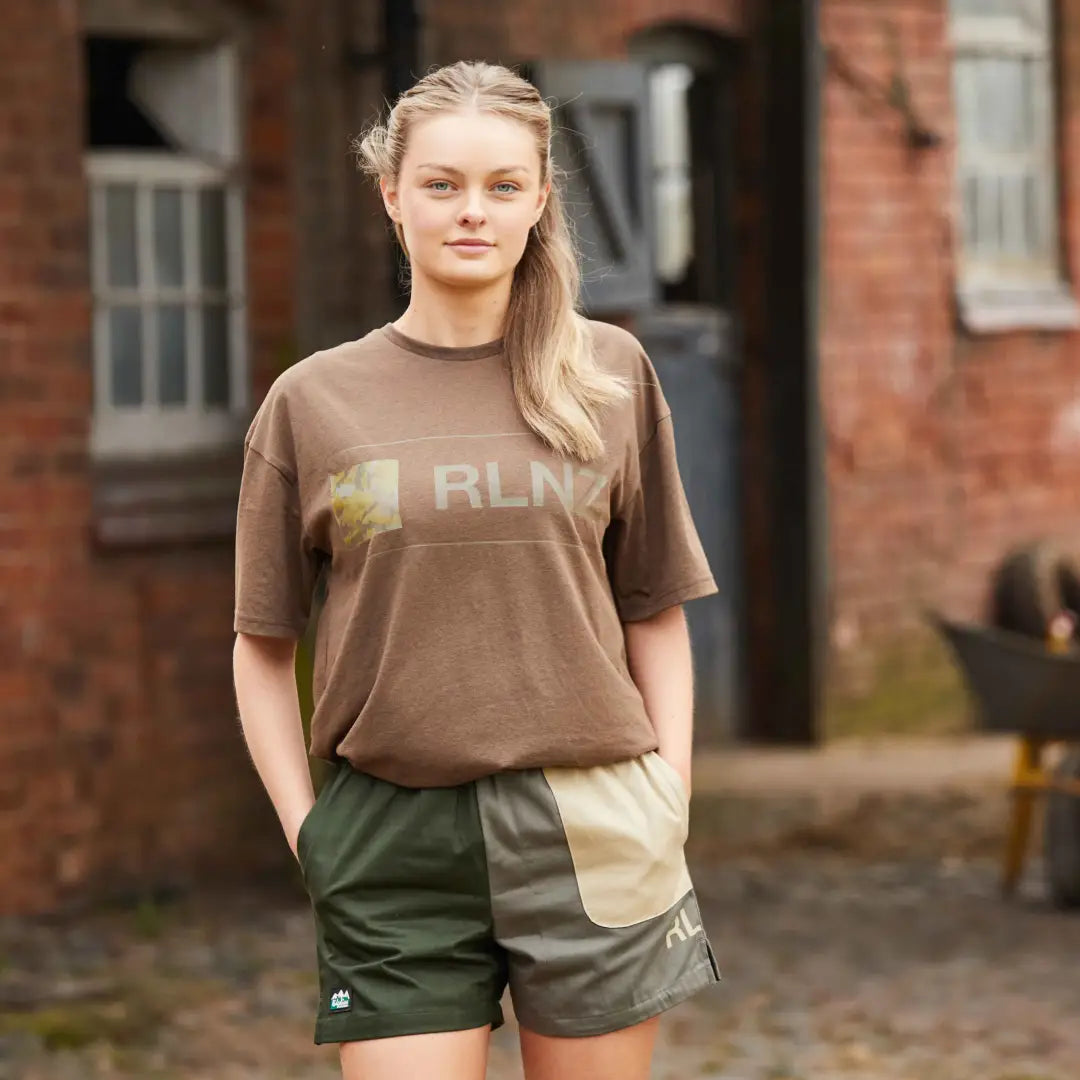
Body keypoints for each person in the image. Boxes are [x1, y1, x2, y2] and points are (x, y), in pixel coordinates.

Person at [232, 59, 721, 1080]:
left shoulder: (610, 377)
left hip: (592, 823)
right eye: (443, 184)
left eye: (504, 187)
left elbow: (657, 610)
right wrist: (307, 831)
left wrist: (668, 796)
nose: (473, 213)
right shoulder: (313, 403)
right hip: (391, 834)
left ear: (541, 201)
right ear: (392, 194)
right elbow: (261, 647)